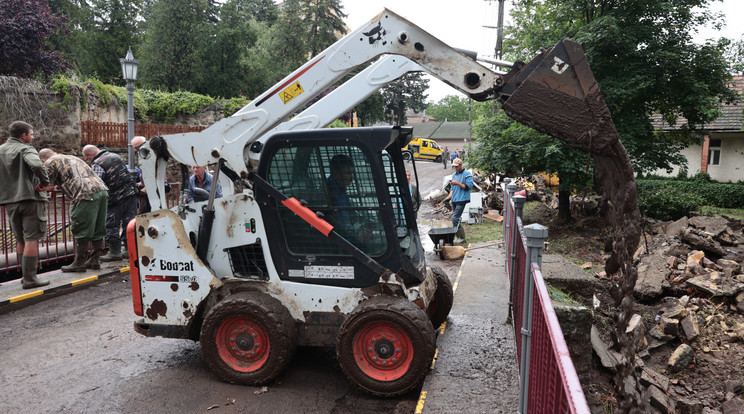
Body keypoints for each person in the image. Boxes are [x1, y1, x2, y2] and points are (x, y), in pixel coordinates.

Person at [38, 149, 108, 271]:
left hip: (84, 194)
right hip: (101, 191)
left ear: (43, 159)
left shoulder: (50, 162)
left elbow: (44, 184)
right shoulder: (70, 157)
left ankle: (79, 263)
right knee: (98, 227)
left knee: (80, 227)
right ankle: (94, 260)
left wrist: (40, 188)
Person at [0, 121, 52, 289]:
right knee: (32, 239)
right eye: (31, 134)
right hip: (30, 199)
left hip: (10, 201)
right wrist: (44, 182)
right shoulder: (26, 148)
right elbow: (37, 164)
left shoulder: (1, 150)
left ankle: (25, 276)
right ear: (23, 136)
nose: (32, 137)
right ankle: (30, 278)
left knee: (20, 239)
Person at [82, 144, 137, 261]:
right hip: (131, 194)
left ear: (90, 155)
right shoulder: (115, 156)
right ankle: (129, 250)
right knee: (129, 223)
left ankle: (115, 252)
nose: (88, 161)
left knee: (111, 225)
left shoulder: (97, 163)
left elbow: (96, 184)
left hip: (115, 199)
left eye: (87, 158)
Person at [449, 157, 473, 243]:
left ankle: (462, 238)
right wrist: (449, 197)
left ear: (461, 165)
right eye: (454, 166)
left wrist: (458, 183)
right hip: (455, 199)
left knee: (454, 218)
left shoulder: (467, 174)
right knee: (457, 219)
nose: (455, 168)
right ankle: (459, 237)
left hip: (462, 199)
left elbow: (468, 187)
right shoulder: (454, 175)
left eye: (456, 166)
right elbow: (452, 188)